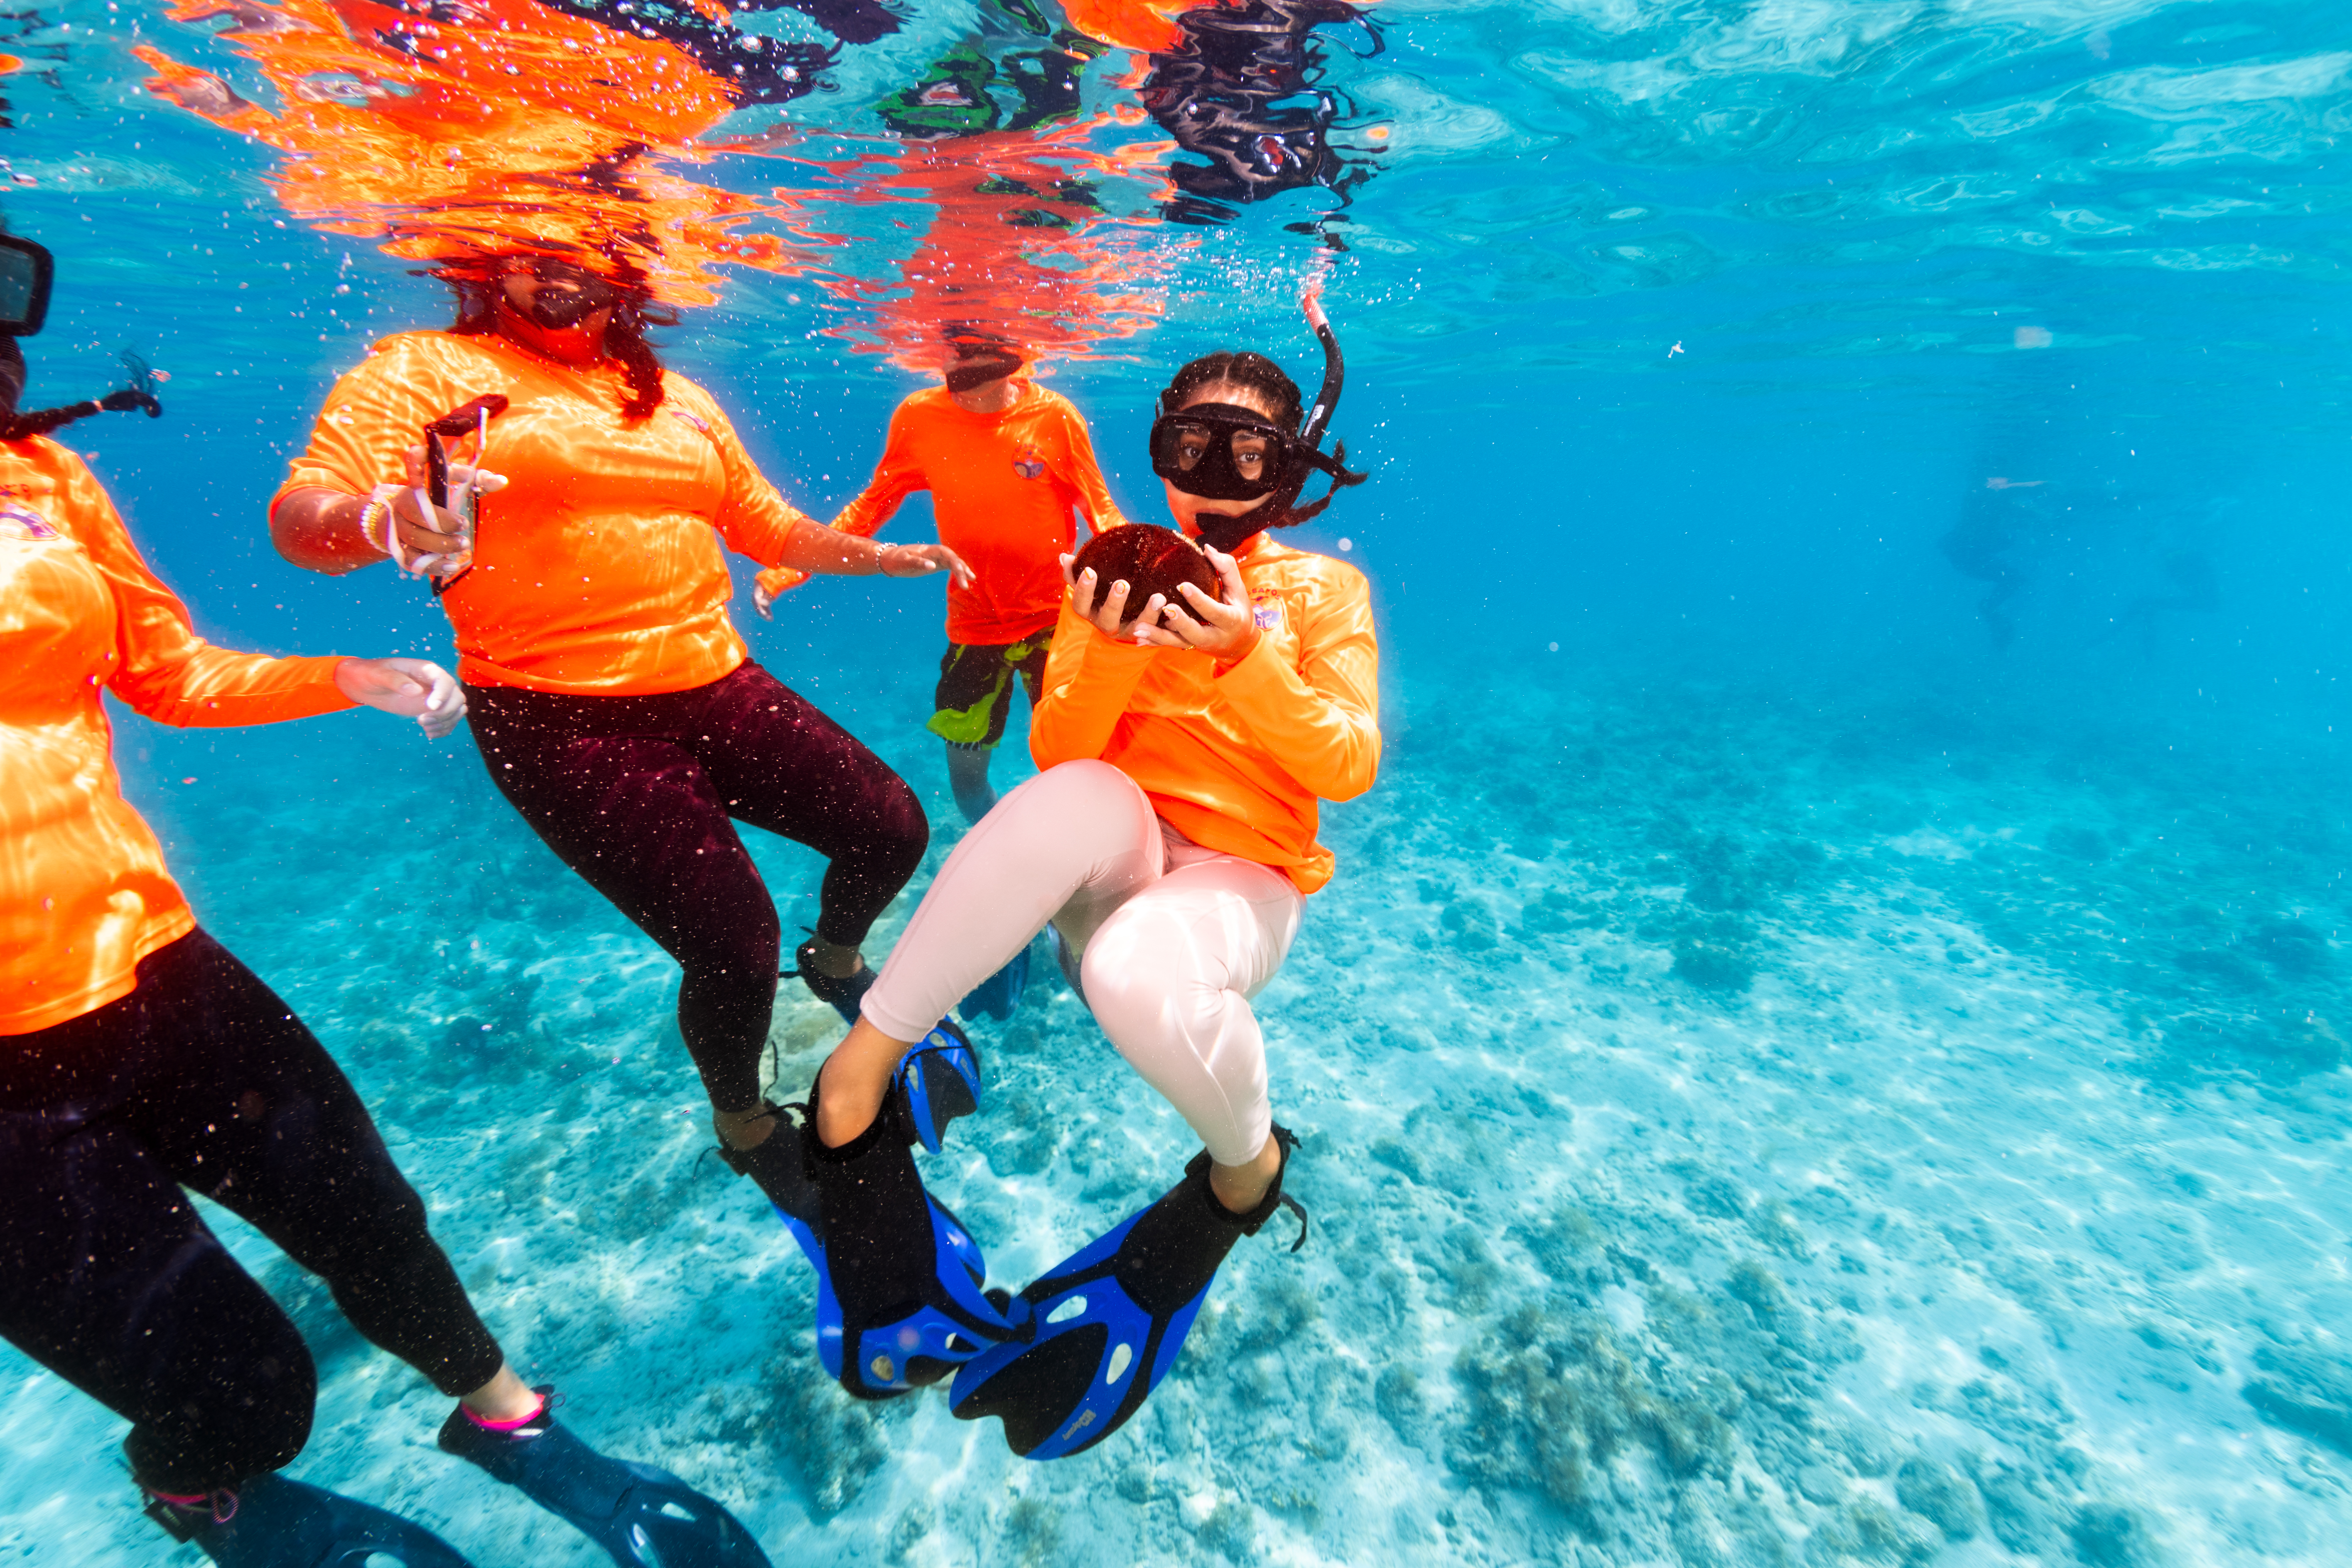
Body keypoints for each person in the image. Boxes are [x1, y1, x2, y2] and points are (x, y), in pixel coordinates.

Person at [0, 228, 766, 1568]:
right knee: (243, 1385)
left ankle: (509, 1420)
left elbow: (166, 670)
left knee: (366, 1208)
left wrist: (339, 673)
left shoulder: (45, 476)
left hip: (149, 957)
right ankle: (202, 1491)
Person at [718, 293, 1377, 1459]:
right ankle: (862, 1063)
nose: (1213, 477)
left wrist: (1243, 654)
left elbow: (1346, 759)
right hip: (1110, 854)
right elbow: (1063, 754)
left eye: (1247, 452)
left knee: (1130, 964)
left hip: (1238, 886)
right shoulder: (1099, 574)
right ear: (1159, 451)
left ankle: (1246, 1171)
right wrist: (1111, 639)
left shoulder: (1319, 592)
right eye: (1187, 447)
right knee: (1073, 794)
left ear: (1287, 465)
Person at [267, 248, 970, 1155]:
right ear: (488, 264)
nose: (555, 268)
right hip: (554, 714)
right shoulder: (422, 368)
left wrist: (884, 557)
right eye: (529, 253)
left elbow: (764, 524)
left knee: (892, 828)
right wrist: (378, 520)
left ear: (626, 269)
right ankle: (746, 1127)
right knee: (733, 943)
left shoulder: (679, 396)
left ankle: (833, 960)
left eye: (582, 251)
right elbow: (301, 516)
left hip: (714, 683)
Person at [759, 324, 1127, 827]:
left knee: (1078, 769)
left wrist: (1144, 580)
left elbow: (1101, 510)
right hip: (974, 626)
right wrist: (788, 571)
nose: (962, 377)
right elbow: (871, 507)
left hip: (1055, 624)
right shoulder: (919, 417)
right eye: (953, 359)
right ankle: (1014, 857)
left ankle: (1079, 868)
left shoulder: (1054, 417)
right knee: (967, 783)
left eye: (978, 362)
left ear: (1015, 361)